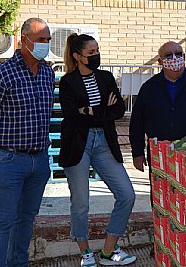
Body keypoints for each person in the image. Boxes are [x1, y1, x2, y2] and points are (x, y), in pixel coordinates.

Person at [0, 17, 55, 267]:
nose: (46, 45)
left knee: (26, 220)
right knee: (1, 223)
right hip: (9, 160)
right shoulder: (2, 75)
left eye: (48, 40)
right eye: (41, 40)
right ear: (24, 40)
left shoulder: (47, 73)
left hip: (39, 160)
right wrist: (1, 144)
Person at [58, 34, 136, 266]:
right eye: (91, 53)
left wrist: (92, 111)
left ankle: (109, 250)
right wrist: (102, 110)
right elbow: (71, 115)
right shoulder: (68, 82)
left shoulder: (106, 77)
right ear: (77, 56)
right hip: (78, 145)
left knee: (127, 194)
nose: (96, 56)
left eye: (97, 51)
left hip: (104, 142)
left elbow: (119, 110)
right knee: (81, 202)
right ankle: (85, 253)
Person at [129, 41, 186, 173]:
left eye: (178, 54)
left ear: (184, 57)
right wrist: (137, 153)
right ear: (160, 61)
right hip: (159, 154)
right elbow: (137, 123)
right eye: (168, 55)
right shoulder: (149, 87)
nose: (174, 59)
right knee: (160, 191)